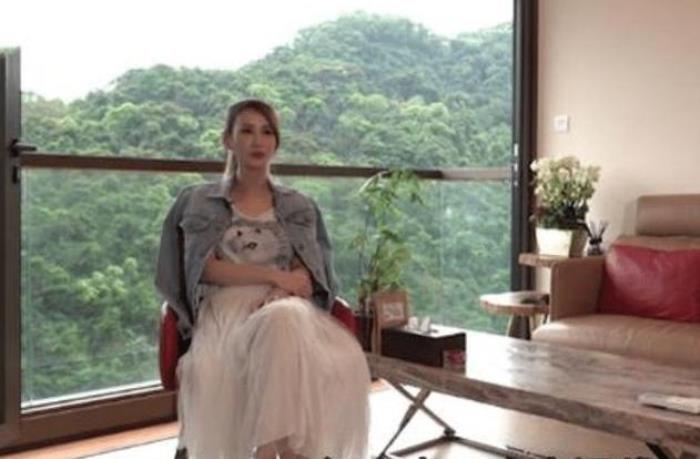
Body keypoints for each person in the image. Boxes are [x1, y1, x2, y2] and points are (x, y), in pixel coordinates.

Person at [155, 99, 370, 459]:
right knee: (213, 369)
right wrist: (274, 276)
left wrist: (280, 290)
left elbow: (308, 275)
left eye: (267, 131)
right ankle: (287, 453)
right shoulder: (200, 201)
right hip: (225, 308)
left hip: (287, 305)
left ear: (276, 142)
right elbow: (207, 269)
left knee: (284, 317)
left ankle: (265, 452)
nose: (258, 140)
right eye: (247, 131)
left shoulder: (298, 204)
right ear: (228, 140)